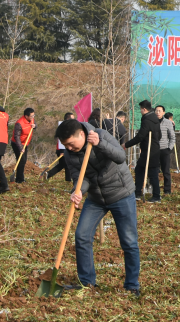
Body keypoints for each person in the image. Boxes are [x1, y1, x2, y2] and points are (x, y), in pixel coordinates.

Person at [56, 118, 140, 297]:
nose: (69, 148)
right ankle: (87, 281)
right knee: (82, 235)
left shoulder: (100, 134)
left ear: (81, 134)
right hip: (96, 198)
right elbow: (80, 178)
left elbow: (120, 157)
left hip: (120, 193)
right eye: (66, 146)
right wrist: (78, 192)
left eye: (71, 144)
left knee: (129, 241)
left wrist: (100, 144)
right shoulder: (70, 155)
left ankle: (132, 285)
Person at [125, 100, 162, 203]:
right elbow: (159, 136)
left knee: (152, 172)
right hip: (151, 149)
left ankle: (156, 196)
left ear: (144, 109)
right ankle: (137, 193)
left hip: (150, 151)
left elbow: (140, 136)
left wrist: (126, 144)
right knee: (140, 170)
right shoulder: (155, 119)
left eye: (141, 109)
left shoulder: (147, 120)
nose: (140, 111)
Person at [10, 108, 37, 184]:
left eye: (33, 115)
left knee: (23, 160)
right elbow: (16, 137)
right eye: (31, 116)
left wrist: (34, 126)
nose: (33, 117)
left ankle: (19, 177)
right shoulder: (19, 123)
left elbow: (35, 124)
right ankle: (20, 179)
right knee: (21, 160)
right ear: (26, 116)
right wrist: (21, 148)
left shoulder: (32, 119)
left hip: (26, 143)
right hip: (17, 143)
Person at [46, 112, 75, 181]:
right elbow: (60, 139)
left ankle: (48, 174)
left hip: (65, 148)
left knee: (62, 164)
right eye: (72, 119)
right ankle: (68, 180)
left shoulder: (69, 127)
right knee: (67, 164)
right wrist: (63, 150)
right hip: (61, 149)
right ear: (68, 118)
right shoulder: (62, 127)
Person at [155, 105, 175, 195]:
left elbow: (172, 137)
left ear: (163, 112)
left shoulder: (168, 123)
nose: (158, 112)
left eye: (160, 111)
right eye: (156, 111)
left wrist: (169, 148)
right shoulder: (152, 122)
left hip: (164, 150)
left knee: (166, 171)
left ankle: (167, 190)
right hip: (154, 151)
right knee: (154, 171)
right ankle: (155, 189)